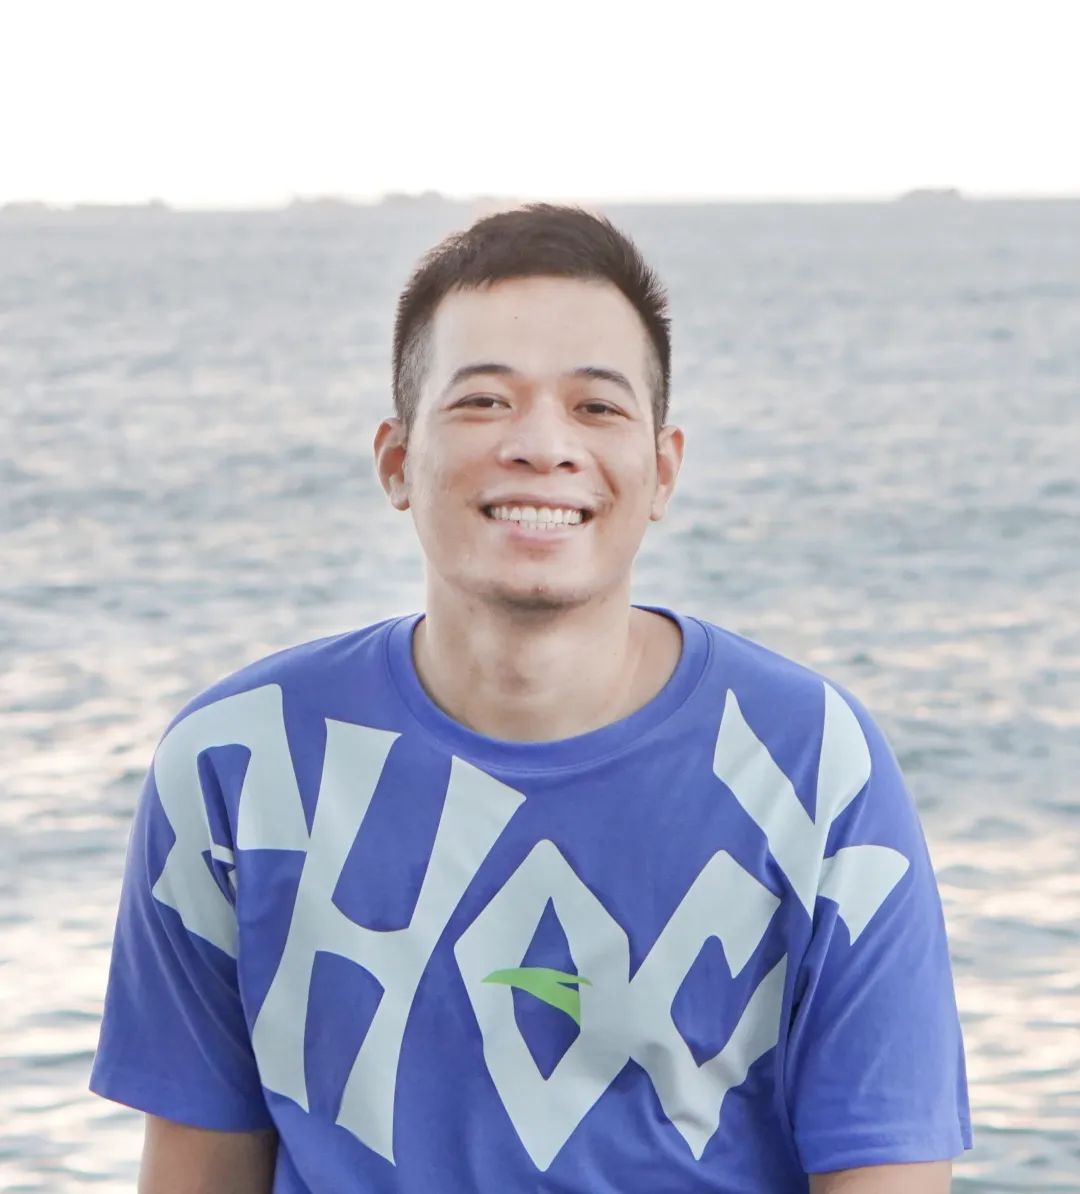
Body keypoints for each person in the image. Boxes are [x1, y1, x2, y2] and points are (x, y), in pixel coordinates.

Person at [90, 203, 973, 1192]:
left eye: (597, 406)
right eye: (483, 401)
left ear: (662, 471)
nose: (543, 445)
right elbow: (199, 1170)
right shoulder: (239, 764)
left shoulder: (813, 766)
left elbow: (890, 1169)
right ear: (396, 462)